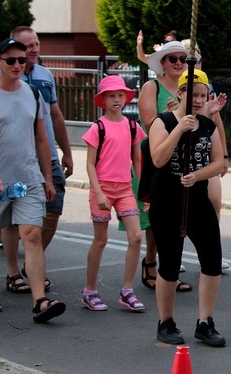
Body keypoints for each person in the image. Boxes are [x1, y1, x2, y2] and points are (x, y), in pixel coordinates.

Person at [0, 38, 64, 322]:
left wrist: (47, 177)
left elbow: (41, 137)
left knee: (32, 236)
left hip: (28, 178)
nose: (17, 65)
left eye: (21, 60)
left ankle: (40, 301)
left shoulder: (33, 93)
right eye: (10, 60)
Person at [0, 26, 73, 294]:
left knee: (54, 205)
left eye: (36, 44)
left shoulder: (45, 75)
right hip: (14, 157)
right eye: (28, 47)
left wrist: (67, 150)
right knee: (11, 217)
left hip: (45, 155)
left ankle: (31, 263)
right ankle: (14, 272)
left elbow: (56, 115)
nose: (34, 50)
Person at [148, 69, 225, 346]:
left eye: (203, 95)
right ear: (180, 93)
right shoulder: (163, 122)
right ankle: (165, 322)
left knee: (212, 259)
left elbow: (220, 163)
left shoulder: (207, 124)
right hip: (167, 201)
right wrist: (179, 129)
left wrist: (199, 175)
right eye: (193, 94)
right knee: (169, 262)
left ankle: (205, 322)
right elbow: (157, 158)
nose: (198, 100)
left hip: (197, 199)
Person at [81, 75, 146, 312]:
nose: (117, 99)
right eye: (112, 95)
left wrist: (145, 192)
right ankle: (89, 291)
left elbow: (138, 160)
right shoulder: (97, 127)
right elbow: (89, 164)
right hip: (103, 188)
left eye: (121, 95)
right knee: (100, 239)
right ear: (103, 100)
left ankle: (127, 290)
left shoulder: (132, 126)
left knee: (136, 237)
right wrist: (98, 192)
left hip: (125, 188)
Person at [137, 41, 195, 293]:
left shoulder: (189, 88)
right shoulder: (152, 87)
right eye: (173, 59)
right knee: (158, 216)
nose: (179, 63)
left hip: (185, 157)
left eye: (183, 59)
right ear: (162, 63)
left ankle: (169, 268)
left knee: (180, 213)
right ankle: (151, 262)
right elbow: (150, 123)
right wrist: (169, 114)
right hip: (157, 156)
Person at [180, 39, 229, 270]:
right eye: (186, 58)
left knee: (215, 200)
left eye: (195, 57)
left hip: (205, 158)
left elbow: (215, 124)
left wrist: (225, 157)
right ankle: (172, 255)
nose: (192, 62)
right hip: (180, 163)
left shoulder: (206, 88)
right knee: (178, 210)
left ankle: (212, 251)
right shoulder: (176, 86)